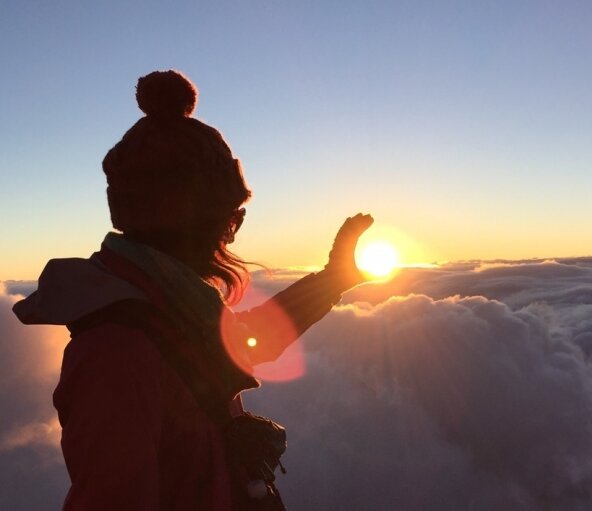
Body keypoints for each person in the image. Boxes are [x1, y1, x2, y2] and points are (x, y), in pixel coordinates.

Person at [13, 70, 373, 511]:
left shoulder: (167, 307)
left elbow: (244, 342)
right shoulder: (117, 354)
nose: (232, 235)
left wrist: (334, 279)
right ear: (195, 220)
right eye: (231, 218)